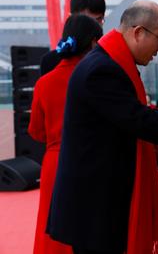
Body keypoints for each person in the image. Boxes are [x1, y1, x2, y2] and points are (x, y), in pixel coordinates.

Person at [47, 0, 158, 254]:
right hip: (94, 202)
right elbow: (140, 120)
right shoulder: (102, 69)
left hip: (99, 198)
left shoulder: (107, 62)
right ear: (138, 32)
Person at [28, 15, 103, 254]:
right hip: (89, 159)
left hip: (54, 161)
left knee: (53, 227)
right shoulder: (95, 78)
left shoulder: (44, 83)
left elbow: (36, 131)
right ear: (92, 43)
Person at [40, 0, 106, 75]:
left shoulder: (110, 57)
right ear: (71, 19)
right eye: (86, 21)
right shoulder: (50, 61)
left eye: (98, 20)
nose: (93, 27)